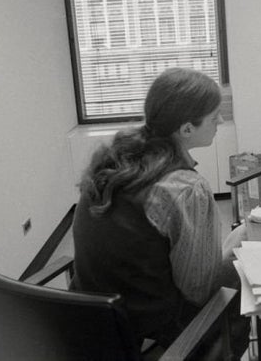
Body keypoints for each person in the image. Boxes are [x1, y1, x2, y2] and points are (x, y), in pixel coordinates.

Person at [70, 67, 247, 358]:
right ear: (187, 128)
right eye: (215, 117)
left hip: (87, 321)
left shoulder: (113, 157)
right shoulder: (186, 188)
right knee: (246, 275)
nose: (221, 121)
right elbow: (199, 291)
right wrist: (241, 239)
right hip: (149, 330)